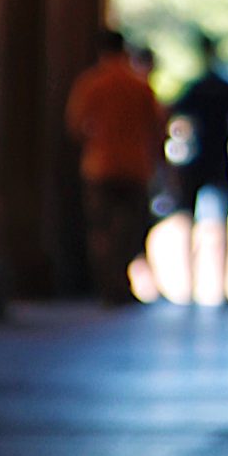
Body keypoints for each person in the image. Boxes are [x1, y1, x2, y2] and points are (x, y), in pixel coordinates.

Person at [64, 28, 167, 306]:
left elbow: (75, 125)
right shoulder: (139, 85)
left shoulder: (91, 83)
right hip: (135, 166)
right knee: (129, 228)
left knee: (101, 228)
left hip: (100, 166)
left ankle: (108, 286)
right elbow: (158, 127)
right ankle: (119, 281)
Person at [169, 32, 228, 306]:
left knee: (192, 225)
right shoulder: (225, 89)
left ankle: (192, 288)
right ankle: (219, 288)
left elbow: (174, 117)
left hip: (201, 159)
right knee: (222, 226)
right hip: (217, 159)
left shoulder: (197, 88)